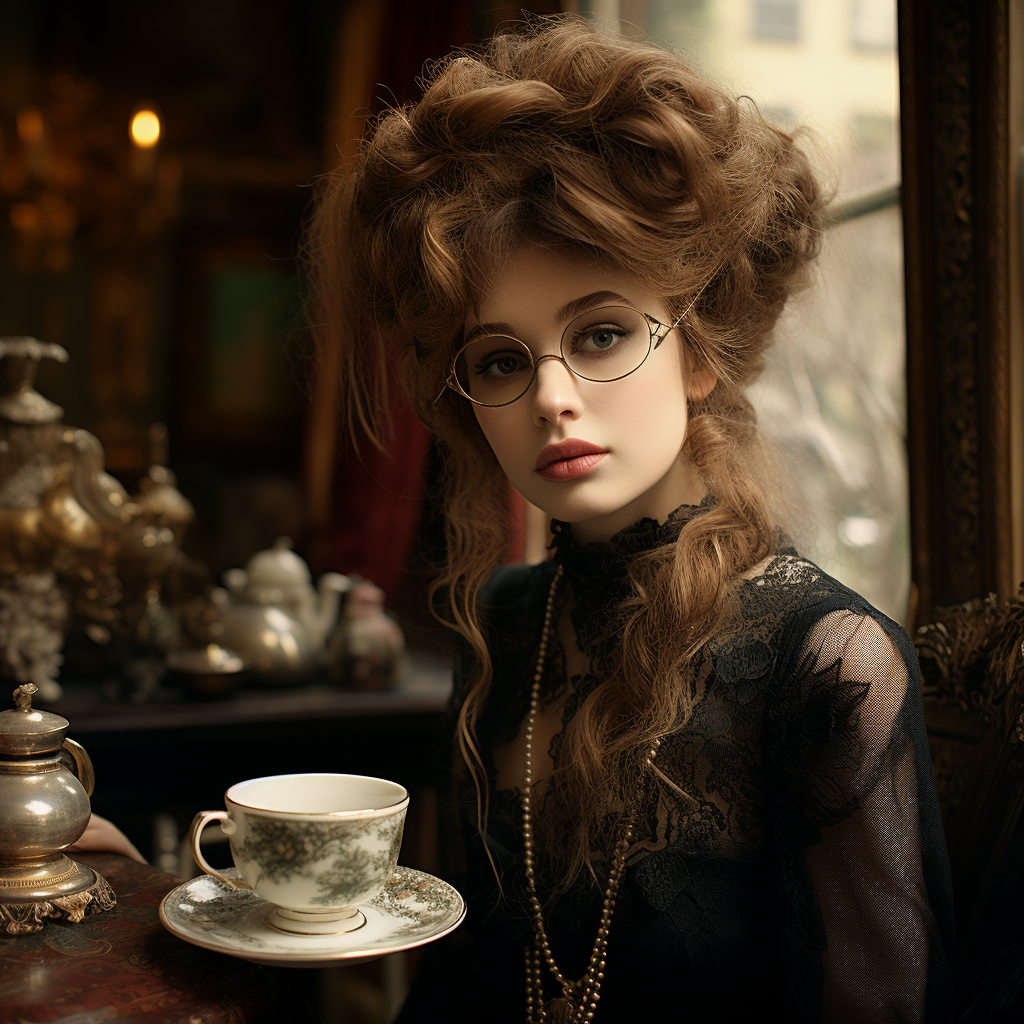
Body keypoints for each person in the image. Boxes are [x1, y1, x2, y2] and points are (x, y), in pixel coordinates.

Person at [307, 13, 955, 1023]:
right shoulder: (506, 626)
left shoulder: (828, 663)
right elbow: (460, 973)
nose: (551, 398)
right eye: (500, 359)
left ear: (699, 350)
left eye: (602, 333)